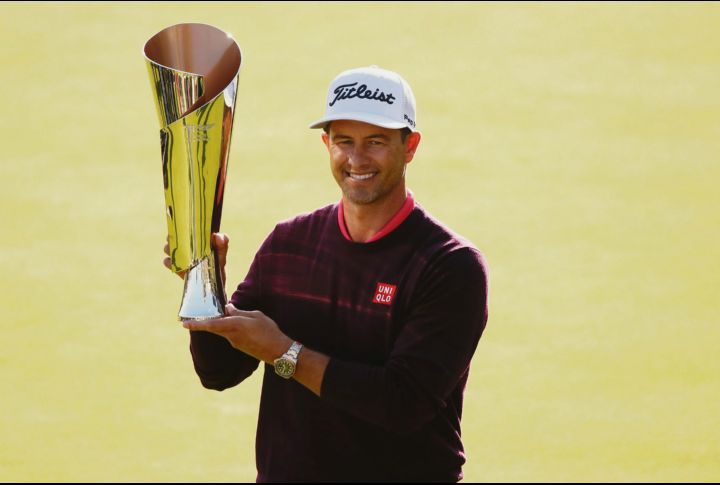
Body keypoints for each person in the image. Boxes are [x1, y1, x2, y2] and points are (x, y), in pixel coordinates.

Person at [163, 66, 489, 482]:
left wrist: (284, 353)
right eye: (344, 141)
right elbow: (219, 372)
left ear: (410, 146)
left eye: (376, 141)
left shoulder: (451, 266)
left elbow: (402, 403)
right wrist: (204, 280)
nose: (357, 159)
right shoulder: (288, 244)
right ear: (326, 144)